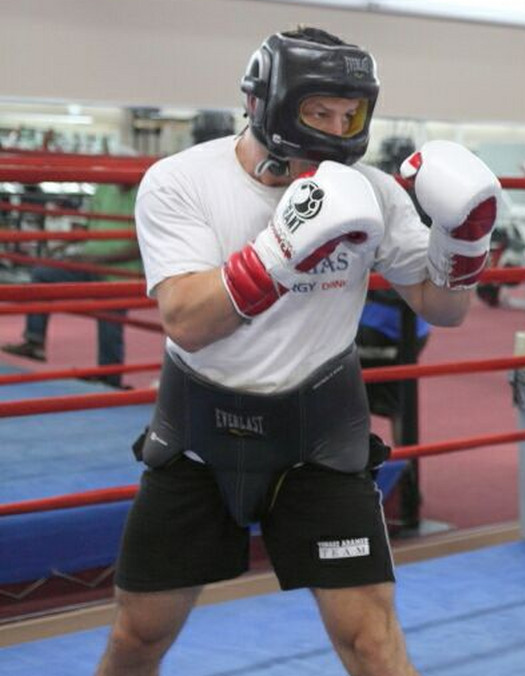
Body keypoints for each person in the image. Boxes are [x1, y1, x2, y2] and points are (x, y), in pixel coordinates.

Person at [95, 27, 499, 676]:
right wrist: (280, 252)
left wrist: (463, 242)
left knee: (372, 638)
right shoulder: (179, 181)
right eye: (320, 111)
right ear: (266, 102)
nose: (338, 129)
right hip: (199, 436)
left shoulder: (371, 190)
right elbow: (186, 321)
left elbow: (442, 309)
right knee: (137, 638)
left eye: (351, 114)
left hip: (320, 438)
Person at [2, 183, 140, 387]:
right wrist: (65, 245)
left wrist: (100, 260)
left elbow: (142, 244)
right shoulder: (105, 187)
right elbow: (89, 226)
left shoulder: (144, 192)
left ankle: (110, 378)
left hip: (120, 274)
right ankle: (35, 341)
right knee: (43, 275)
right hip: (89, 261)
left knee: (110, 322)